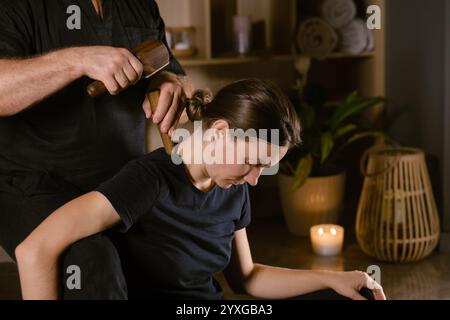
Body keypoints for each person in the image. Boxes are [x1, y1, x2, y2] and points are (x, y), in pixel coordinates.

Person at [15, 79, 386, 300]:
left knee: (348, 296)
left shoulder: (233, 186)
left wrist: (331, 278)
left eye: (266, 167)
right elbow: (34, 248)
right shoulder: (148, 180)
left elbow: (249, 278)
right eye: (254, 162)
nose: (256, 179)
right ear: (221, 131)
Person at [0, 0, 191, 299]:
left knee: (179, 256)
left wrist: (168, 83)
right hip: (32, 182)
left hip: (120, 182)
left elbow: (166, 68)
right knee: (90, 262)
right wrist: (76, 60)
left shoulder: (140, 5)